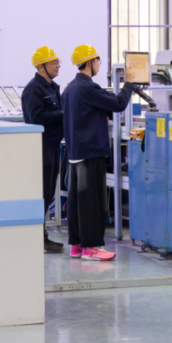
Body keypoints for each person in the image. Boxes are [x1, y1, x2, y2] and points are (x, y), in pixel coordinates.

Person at [61, 44, 136, 261]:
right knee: (92, 202)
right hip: (91, 152)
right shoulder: (89, 88)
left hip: (75, 152)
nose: (99, 65)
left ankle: (77, 245)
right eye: (97, 61)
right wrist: (129, 83)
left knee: (77, 201)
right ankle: (91, 247)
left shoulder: (69, 89)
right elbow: (119, 103)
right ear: (90, 62)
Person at [22, 45, 67, 254]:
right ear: (41, 67)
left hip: (54, 145)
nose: (58, 66)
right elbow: (35, 117)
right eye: (54, 62)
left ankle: (42, 238)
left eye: (58, 62)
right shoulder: (34, 89)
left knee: (48, 194)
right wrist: (62, 113)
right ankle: (37, 239)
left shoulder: (52, 87)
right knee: (41, 194)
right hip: (41, 147)